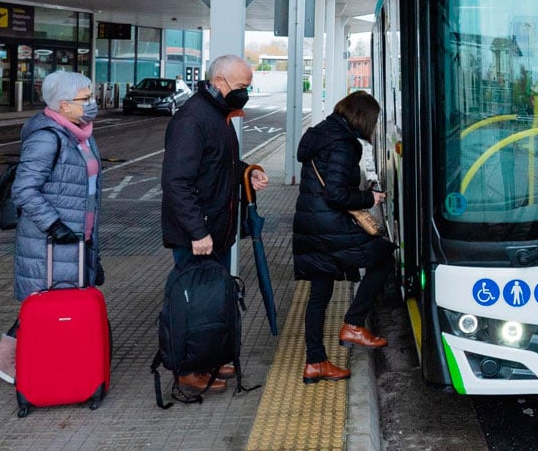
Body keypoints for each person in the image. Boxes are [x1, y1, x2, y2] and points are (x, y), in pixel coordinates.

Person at [0, 71, 103, 384]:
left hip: (77, 236)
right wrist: (54, 225)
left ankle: (31, 362)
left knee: (55, 303)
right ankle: (16, 362)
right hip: (51, 240)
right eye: (84, 99)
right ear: (64, 105)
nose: (91, 103)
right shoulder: (47, 137)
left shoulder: (80, 135)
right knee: (47, 303)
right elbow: (24, 189)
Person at [161, 54, 268, 393]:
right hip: (199, 234)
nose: (245, 93)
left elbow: (220, 166)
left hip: (216, 230)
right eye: (241, 87)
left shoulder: (218, 115)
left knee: (214, 302)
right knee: (193, 303)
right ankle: (188, 369)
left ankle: (210, 355)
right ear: (219, 82)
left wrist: (248, 171)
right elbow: (177, 181)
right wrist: (197, 231)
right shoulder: (193, 119)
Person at [293, 90, 396, 384]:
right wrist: (369, 198)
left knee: (319, 295)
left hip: (311, 224)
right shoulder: (343, 144)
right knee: (384, 256)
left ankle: (315, 363)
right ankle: (352, 324)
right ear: (363, 118)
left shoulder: (323, 133)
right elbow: (336, 193)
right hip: (329, 227)